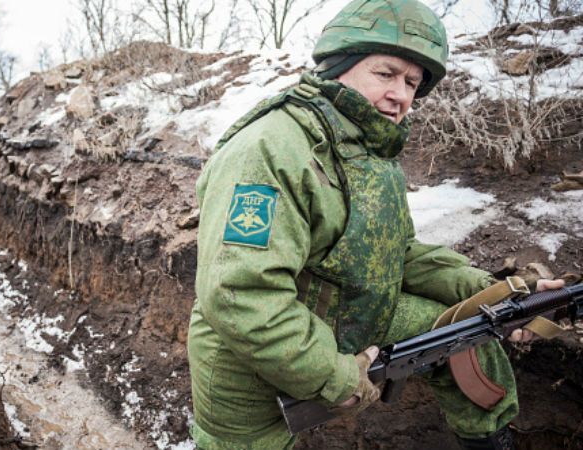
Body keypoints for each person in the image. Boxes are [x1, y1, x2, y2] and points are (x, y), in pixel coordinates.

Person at [187, 1, 565, 449]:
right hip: (249, 368)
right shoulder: (271, 149)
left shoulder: (369, 151)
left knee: (467, 335)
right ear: (339, 65)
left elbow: (398, 252)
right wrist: (337, 375)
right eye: (386, 74)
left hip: (346, 316)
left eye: (411, 83)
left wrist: (499, 295)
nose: (401, 95)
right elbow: (241, 295)